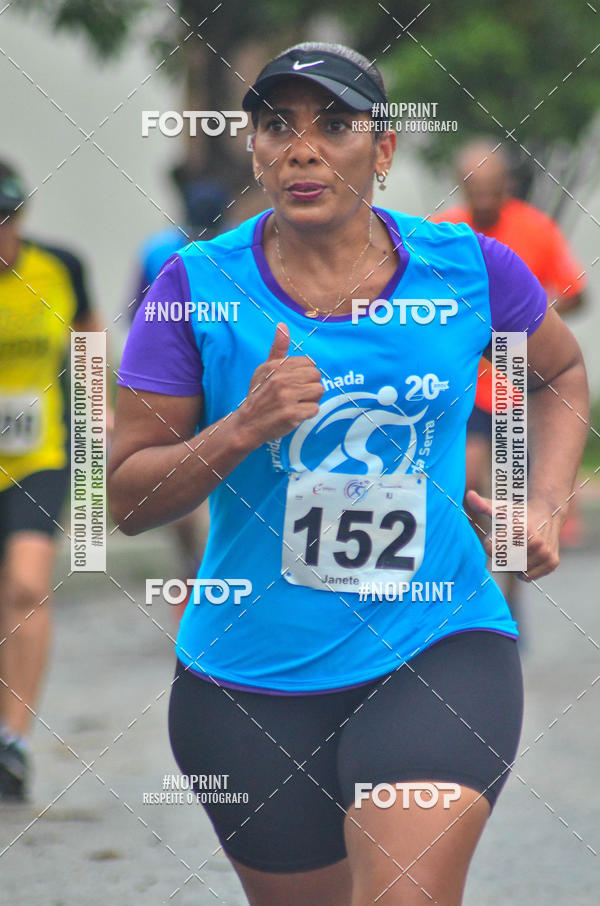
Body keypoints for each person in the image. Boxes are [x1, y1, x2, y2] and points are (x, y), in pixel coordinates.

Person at [108, 44, 588, 906]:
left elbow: (556, 373)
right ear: (253, 149)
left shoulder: (470, 268)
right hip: (247, 679)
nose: (302, 148)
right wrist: (241, 429)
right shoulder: (192, 288)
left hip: (438, 644)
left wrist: (540, 501)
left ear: (387, 148)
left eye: (334, 124)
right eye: (276, 126)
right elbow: (125, 498)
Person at [432, 140, 587, 626]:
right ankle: (472, 586)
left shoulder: (535, 228)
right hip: (466, 392)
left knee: (513, 500)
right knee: (468, 485)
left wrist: (531, 319)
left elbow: (576, 292)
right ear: (461, 188)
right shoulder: (444, 233)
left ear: (507, 185)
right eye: (473, 189)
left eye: (491, 189)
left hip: (519, 391)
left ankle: (511, 594)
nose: (482, 199)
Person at [0, 160, 105, 800]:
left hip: (39, 453)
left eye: (7, 221)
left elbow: (89, 331)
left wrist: (98, 410)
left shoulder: (58, 267)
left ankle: (15, 739)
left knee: (27, 584)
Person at [125, 172, 228, 582]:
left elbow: (132, 314)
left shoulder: (164, 248)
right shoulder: (164, 252)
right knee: (184, 475)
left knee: (202, 472)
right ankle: (196, 566)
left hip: (194, 376)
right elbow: (136, 313)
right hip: (178, 377)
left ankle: (200, 567)